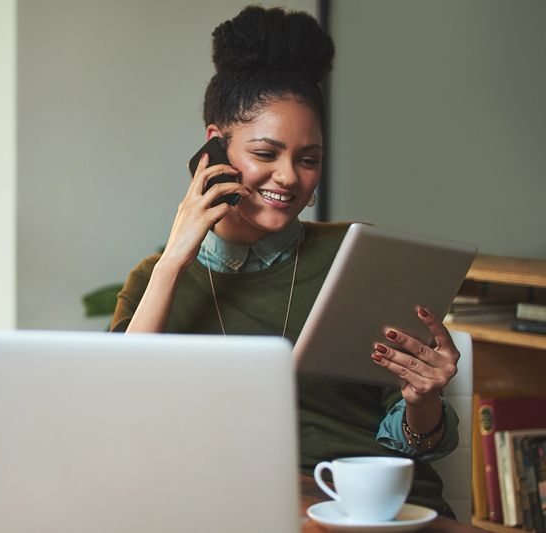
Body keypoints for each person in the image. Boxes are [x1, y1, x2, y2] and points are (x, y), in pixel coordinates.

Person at [110, 5, 460, 516]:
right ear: (215, 146)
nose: (290, 178)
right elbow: (117, 409)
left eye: (308, 159)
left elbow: (416, 440)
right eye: (267, 153)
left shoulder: (356, 256)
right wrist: (174, 262)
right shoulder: (155, 278)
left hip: (377, 509)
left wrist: (422, 399)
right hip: (240, 507)